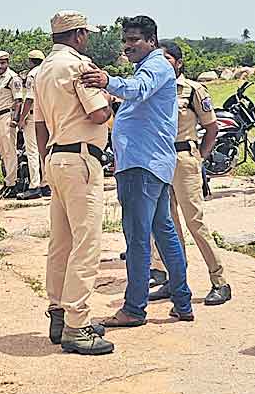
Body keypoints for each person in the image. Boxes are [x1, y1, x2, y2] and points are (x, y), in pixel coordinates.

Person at [80, 17, 193, 333]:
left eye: (134, 40)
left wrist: (106, 81)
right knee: (163, 231)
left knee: (138, 239)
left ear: (151, 41)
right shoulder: (151, 67)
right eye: (125, 41)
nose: (128, 46)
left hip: (141, 166)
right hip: (151, 164)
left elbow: (136, 90)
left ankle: (134, 308)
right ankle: (182, 302)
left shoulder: (155, 68)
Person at [34, 11, 115, 355]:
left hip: (54, 156)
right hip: (81, 157)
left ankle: (58, 311)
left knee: (61, 242)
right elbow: (98, 114)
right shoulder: (80, 66)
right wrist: (110, 95)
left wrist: (46, 162)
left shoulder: (40, 72)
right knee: (86, 243)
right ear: (79, 35)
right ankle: (77, 324)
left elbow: (39, 124)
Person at [158, 41, 230, 307]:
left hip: (184, 158)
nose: (163, 63)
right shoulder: (156, 88)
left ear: (178, 62)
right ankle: (176, 281)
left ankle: (220, 281)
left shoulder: (193, 90)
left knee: (194, 222)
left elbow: (211, 128)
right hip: (160, 161)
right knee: (168, 225)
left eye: (167, 58)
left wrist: (200, 156)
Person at [0, 51, 24, 199]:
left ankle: (12, 184)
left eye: (3, 63)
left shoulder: (12, 78)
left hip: (7, 116)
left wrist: (15, 120)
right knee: (3, 151)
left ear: (8, 63)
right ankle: (7, 182)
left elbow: (18, 101)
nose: (1, 66)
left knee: (10, 151)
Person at [17, 50, 49, 201]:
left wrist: (21, 119)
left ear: (31, 61)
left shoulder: (32, 75)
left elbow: (29, 98)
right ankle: (45, 183)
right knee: (45, 150)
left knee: (32, 151)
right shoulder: (46, 72)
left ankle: (34, 185)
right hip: (47, 115)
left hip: (33, 115)